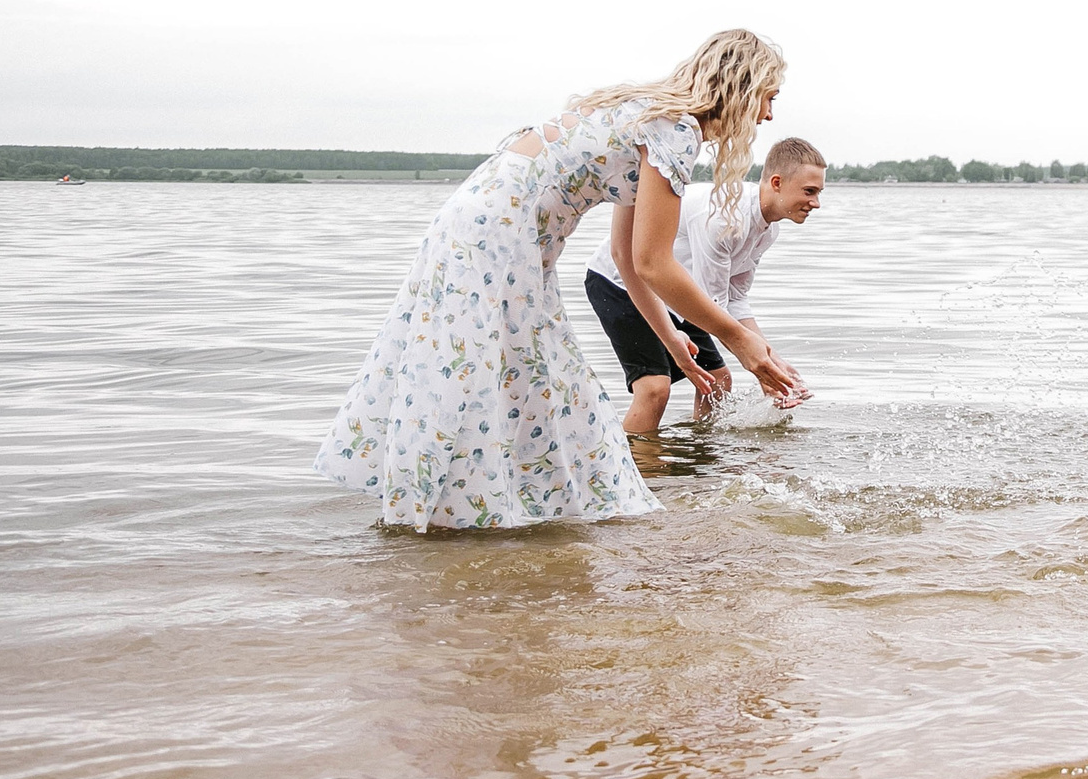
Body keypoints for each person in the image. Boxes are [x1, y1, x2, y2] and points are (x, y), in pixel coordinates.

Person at [316, 29, 806, 532]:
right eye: (768, 98)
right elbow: (656, 263)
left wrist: (674, 343)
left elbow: (628, 257)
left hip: (483, 228)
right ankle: (490, 517)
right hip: (501, 239)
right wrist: (740, 339)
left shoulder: (649, 117)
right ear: (741, 88)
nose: (767, 115)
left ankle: (482, 521)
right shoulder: (675, 128)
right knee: (518, 377)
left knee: (515, 379)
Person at [585, 135, 828, 435]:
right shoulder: (725, 219)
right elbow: (713, 306)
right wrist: (761, 367)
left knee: (718, 382)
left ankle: (700, 463)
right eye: (810, 191)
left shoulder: (767, 230)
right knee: (654, 389)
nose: (816, 202)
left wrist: (773, 362)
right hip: (620, 281)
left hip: (675, 294)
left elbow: (735, 299)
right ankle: (631, 475)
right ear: (777, 183)